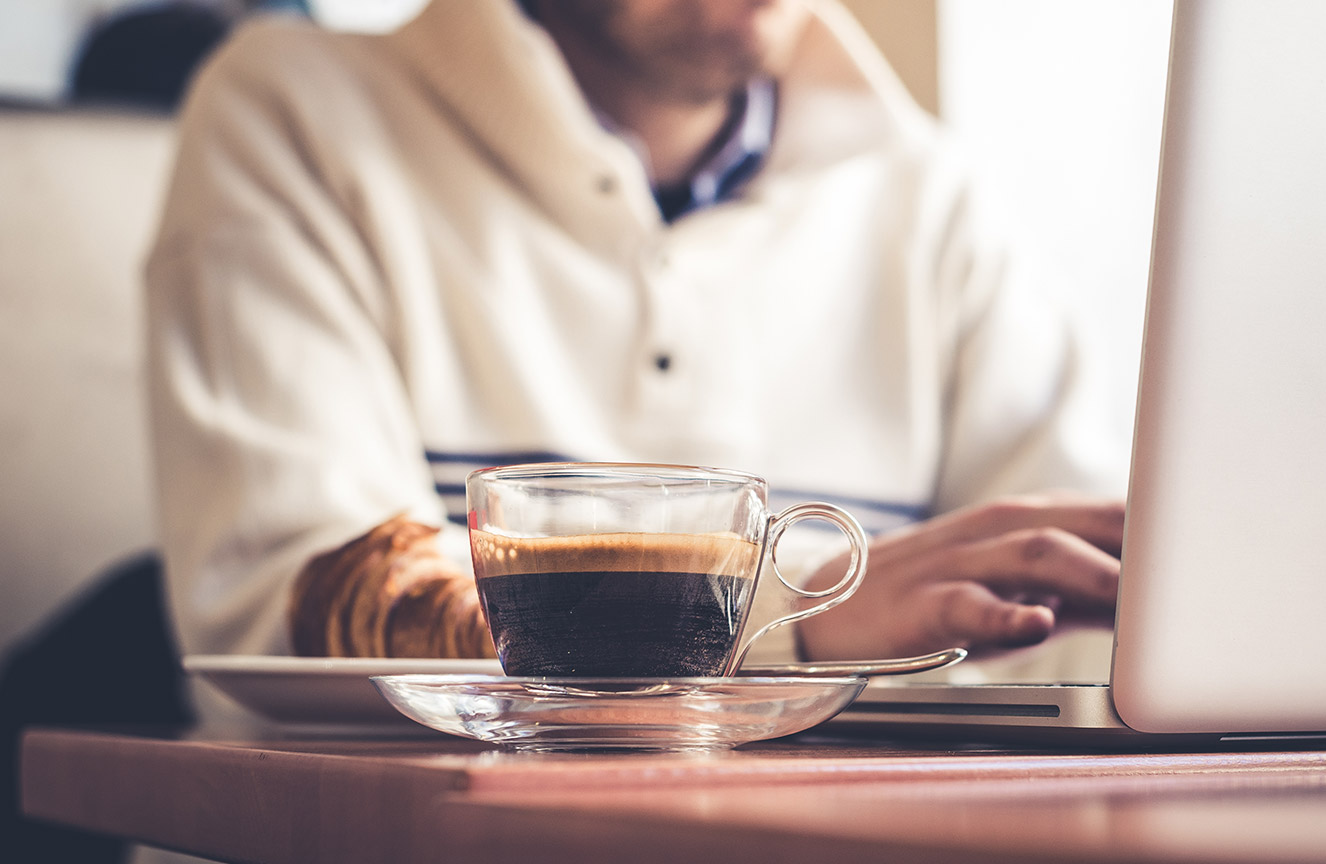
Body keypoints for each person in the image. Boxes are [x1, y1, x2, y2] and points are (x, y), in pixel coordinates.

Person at [145, 0, 1127, 670]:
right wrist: (799, 618)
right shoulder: (292, 117)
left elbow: (1090, 620)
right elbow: (302, 602)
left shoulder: (935, 198)